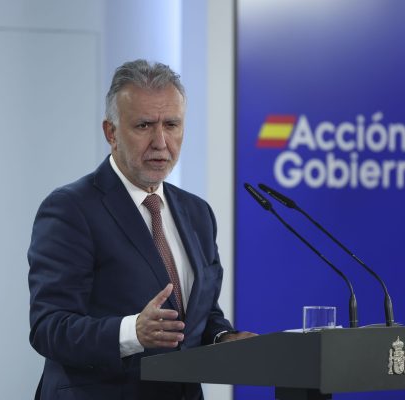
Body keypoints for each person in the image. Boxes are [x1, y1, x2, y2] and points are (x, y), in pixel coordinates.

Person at [28, 59, 254, 400]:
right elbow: (49, 327)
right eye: (144, 125)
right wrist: (132, 332)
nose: (161, 141)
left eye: (172, 124)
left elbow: (201, 314)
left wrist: (222, 338)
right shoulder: (71, 209)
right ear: (111, 133)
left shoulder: (197, 213)